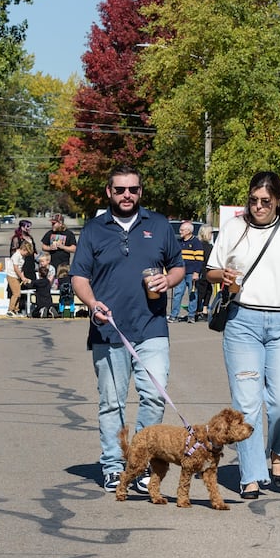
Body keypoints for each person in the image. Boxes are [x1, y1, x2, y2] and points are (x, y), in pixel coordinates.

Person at [206, 172, 280, 499]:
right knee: (247, 402)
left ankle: (277, 452)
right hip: (242, 322)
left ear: (277, 200)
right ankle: (251, 474)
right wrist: (223, 274)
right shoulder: (234, 228)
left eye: (265, 201)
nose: (258, 207)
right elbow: (211, 270)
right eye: (253, 200)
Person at [70, 164, 184, 491]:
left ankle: (140, 462)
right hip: (108, 330)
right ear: (109, 192)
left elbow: (178, 266)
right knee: (112, 403)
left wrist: (169, 279)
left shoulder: (159, 225)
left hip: (152, 328)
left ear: (140, 192)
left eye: (133, 190)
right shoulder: (93, 229)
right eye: (120, 190)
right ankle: (112, 463)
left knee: (154, 397)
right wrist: (92, 304)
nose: (126, 195)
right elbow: (79, 276)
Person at [171, 220, 206, 322]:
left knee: (193, 294)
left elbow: (199, 259)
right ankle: (174, 315)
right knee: (178, 293)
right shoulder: (179, 242)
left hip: (191, 273)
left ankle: (191, 316)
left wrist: (196, 272)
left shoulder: (196, 243)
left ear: (188, 231)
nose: (180, 231)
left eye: (182, 230)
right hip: (180, 272)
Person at [7, 238, 35, 316]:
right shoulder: (16, 255)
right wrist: (21, 277)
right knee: (16, 293)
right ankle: (10, 309)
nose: (26, 255)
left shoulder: (22, 257)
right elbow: (16, 268)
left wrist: (23, 277)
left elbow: (20, 268)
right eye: (26, 253)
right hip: (12, 275)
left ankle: (16, 309)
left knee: (18, 293)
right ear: (23, 249)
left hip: (17, 276)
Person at [194, 224, 215, 319]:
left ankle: (204, 309)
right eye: (210, 233)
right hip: (201, 271)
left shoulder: (209, 246)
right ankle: (198, 310)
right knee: (201, 291)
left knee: (208, 290)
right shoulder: (202, 245)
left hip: (206, 271)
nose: (212, 235)